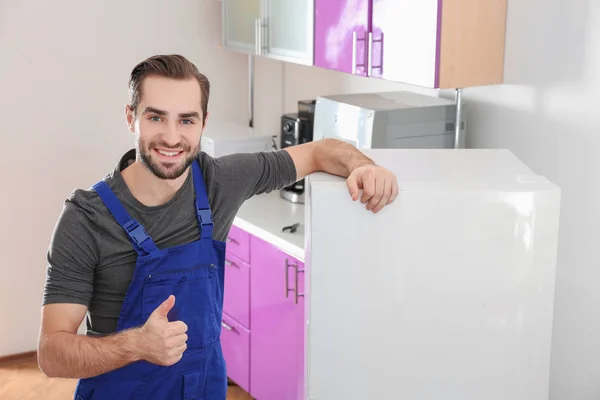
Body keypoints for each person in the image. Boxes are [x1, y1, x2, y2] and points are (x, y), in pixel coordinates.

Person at [37, 54, 398, 399]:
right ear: (131, 117)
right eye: (156, 118)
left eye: (186, 120)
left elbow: (320, 151)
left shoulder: (218, 182)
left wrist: (363, 167)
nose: (172, 137)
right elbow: (52, 353)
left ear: (203, 123)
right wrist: (136, 345)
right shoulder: (86, 218)